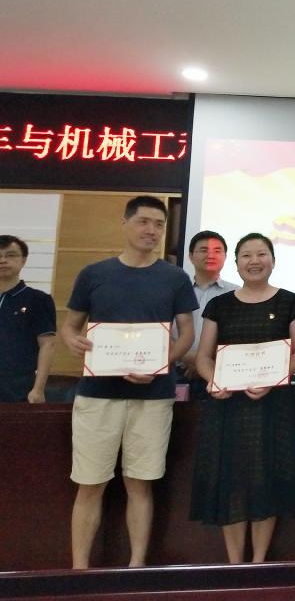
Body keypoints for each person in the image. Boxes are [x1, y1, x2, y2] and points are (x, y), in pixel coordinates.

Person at [61, 196, 198, 568]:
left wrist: (160, 364)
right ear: (125, 223)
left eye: (159, 224)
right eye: (143, 221)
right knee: (90, 483)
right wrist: (72, 340)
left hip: (153, 396)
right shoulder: (94, 273)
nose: (151, 230)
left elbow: (186, 334)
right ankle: (79, 569)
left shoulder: (174, 277)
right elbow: (70, 326)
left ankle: (136, 567)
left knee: (141, 482)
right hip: (97, 394)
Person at [190, 232, 295, 563]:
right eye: (246, 255)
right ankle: (235, 563)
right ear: (236, 262)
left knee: (266, 478)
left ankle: (257, 562)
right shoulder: (219, 305)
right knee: (231, 479)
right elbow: (204, 357)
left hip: (274, 406)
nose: (254, 261)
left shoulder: (290, 302)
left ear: (273, 260)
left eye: (261, 254)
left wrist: (274, 378)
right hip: (228, 406)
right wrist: (214, 380)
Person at [176, 230, 238, 399]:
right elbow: (164, 332)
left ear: (225, 257)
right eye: (203, 250)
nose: (210, 255)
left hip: (221, 373)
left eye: (217, 251)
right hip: (178, 371)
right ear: (190, 256)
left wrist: (204, 362)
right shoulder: (175, 291)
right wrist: (188, 357)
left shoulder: (237, 294)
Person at [0, 235, 56, 402]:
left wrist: (38, 389)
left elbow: (47, 344)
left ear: (23, 260)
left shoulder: (38, 299)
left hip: (17, 387)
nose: (3, 260)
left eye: (10, 255)